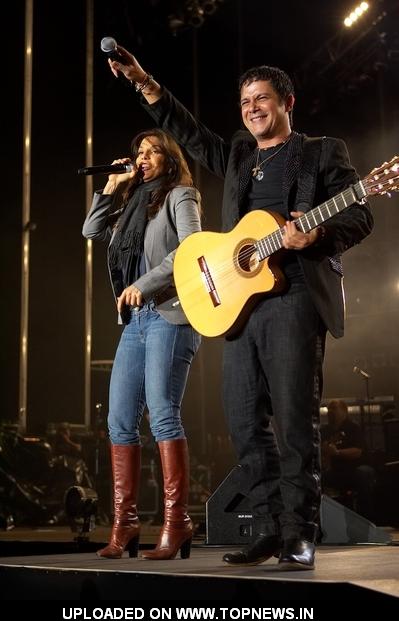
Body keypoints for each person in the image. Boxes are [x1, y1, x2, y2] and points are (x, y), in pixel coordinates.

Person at [106, 47, 374, 570]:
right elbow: (185, 130)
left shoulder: (321, 153)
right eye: (245, 100)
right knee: (244, 423)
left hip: (294, 297)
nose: (252, 108)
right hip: (236, 304)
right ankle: (271, 529)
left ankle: (300, 534)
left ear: (287, 102)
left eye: (262, 99)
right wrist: (144, 81)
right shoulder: (238, 154)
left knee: (295, 423)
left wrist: (316, 232)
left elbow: (361, 216)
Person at [82, 128, 202, 560]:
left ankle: (176, 524)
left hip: (170, 314)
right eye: (139, 152)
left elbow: (191, 248)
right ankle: (126, 523)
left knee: (163, 417)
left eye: (152, 151)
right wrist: (111, 187)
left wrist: (144, 283)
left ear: (169, 158)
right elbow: (90, 230)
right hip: (135, 322)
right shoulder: (131, 204)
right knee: (118, 421)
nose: (143, 157)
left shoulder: (180, 195)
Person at [321, 399, 376, 521]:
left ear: (344, 411)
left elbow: (358, 451)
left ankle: (366, 519)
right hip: (337, 470)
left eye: (334, 408)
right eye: (329, 409)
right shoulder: (324, 430)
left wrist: (337, 452)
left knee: (362, 474)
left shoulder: (353, 428)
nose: (330, 411)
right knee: (317, 478)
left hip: (358, 466)